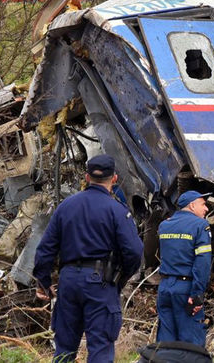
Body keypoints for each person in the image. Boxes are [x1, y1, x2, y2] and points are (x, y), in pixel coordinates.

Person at [33, 154, 144, 363]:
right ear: (114, 179)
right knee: (100, 348)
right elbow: (134, 251)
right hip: (100, 284)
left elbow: (45, 249)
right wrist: (119, 279)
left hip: (68, 283)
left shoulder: (66, 207)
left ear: (86, 177)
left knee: (64, 349)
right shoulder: (117, 211)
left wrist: (44, 282)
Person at [155, 190, 213, 346]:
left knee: (166, 343)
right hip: (185, 289)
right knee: (191, 345)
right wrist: (196, 294)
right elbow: (203, 263)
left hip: (165, 288)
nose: (206, 209)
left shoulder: (165, 225)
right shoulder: (201, 225)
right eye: (203, 204)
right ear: (192, 206)